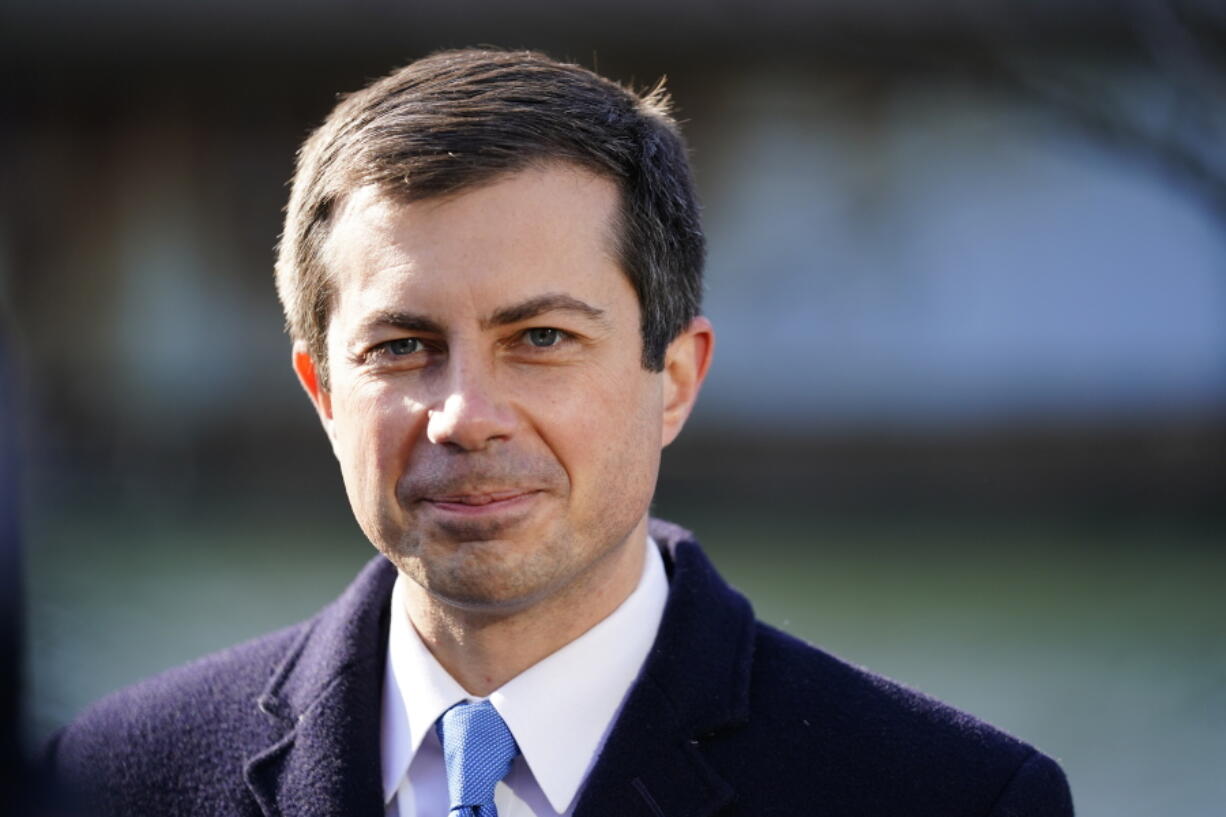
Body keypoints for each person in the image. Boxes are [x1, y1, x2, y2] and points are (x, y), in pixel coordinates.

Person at [48, 48, 1073, 817]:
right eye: (402, 346)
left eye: (538, 337)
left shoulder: (946, 796)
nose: (465, 414)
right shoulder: (110, 778)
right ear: (321, 392)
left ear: (672, 378)